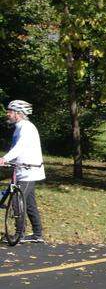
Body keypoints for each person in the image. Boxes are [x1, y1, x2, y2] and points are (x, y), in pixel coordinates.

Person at [0, 100, 45, 243]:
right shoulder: (20, 127)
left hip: (29, 171)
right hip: (23, 170)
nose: (7, 113)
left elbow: (20, 147)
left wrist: (4, 158)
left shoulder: (26, 127)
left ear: (18, 114)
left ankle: (19, 235)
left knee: (17, 200)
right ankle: (37, 234)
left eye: (10, 111)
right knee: (30, 203)